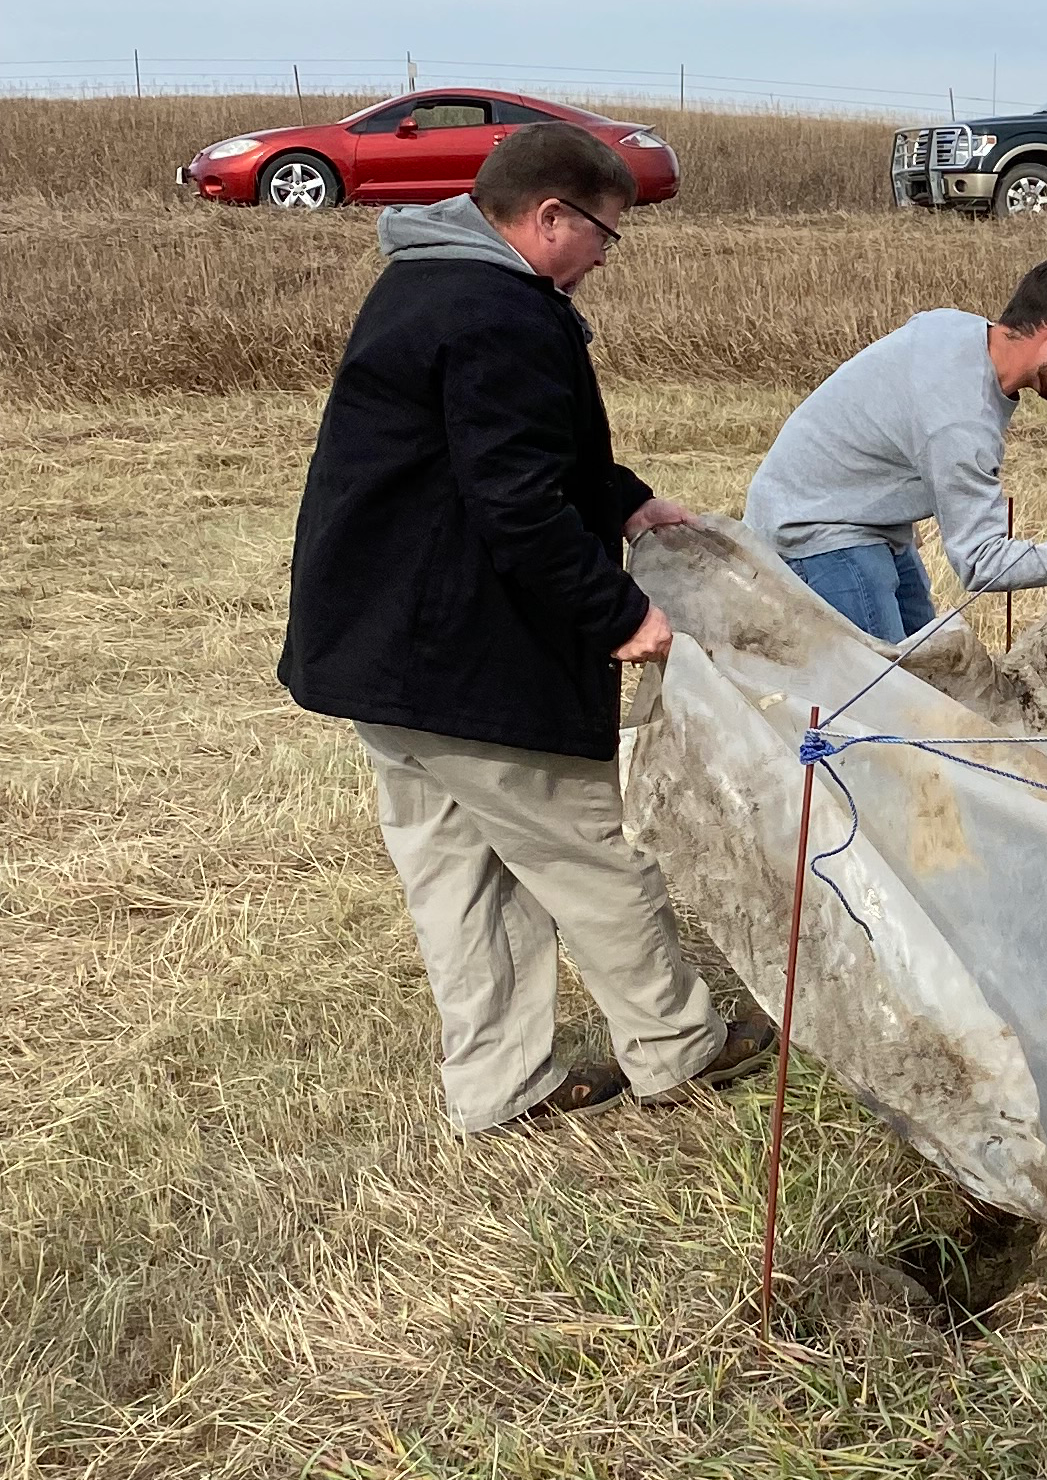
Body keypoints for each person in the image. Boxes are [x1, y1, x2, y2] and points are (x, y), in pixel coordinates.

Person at [280, 122, 772, 1134]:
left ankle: (502, 1087)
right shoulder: (498, 311)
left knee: (458, 872)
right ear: (550, 217)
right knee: (587, 851)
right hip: (461, 651)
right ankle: (678, 1048)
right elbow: (516, 498)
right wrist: (619, 611)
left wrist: (628, 500)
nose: (604, 256)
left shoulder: (428, 283)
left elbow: (508, 448)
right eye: (605, 233)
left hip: (378, 652)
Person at [746, 256, 1047, 644]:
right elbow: (981, 563)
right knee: (883, 694)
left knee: (929, 670)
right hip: (813, 526)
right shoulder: (961, 418)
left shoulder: (954, 328)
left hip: (863, 518)